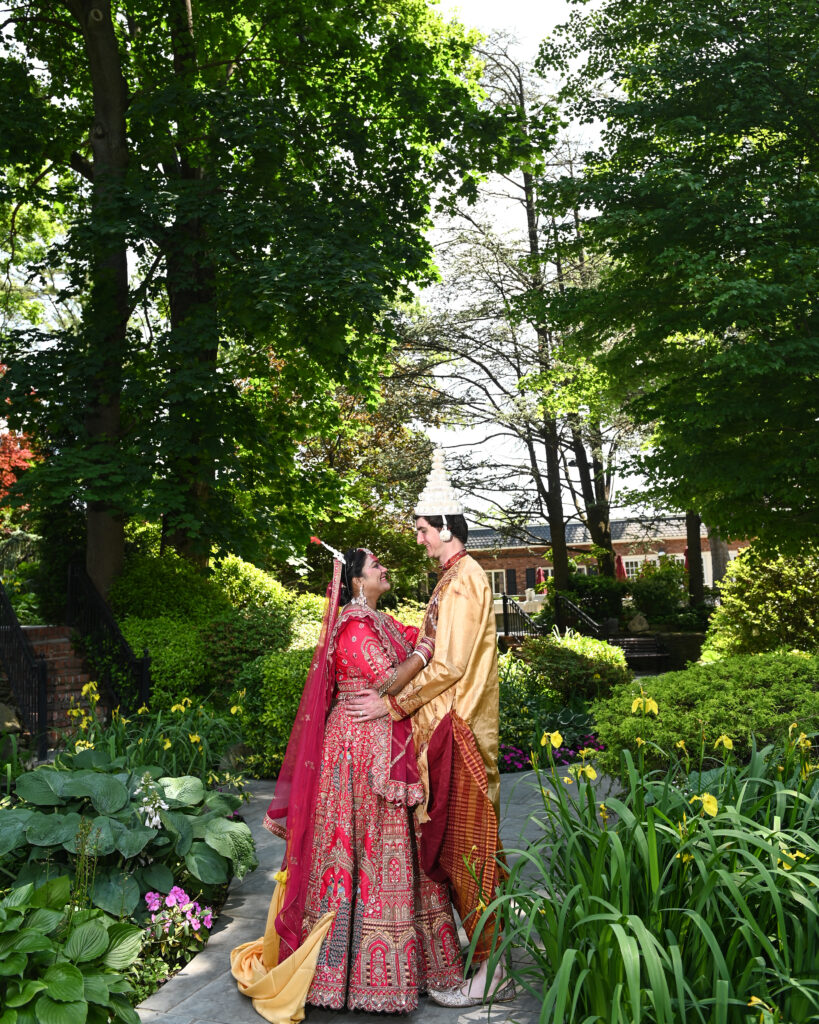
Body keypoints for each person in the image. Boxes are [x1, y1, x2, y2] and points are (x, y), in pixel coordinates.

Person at [231, 542, 463, 1021]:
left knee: (390, 851)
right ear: (357, 580)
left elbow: (421, 639)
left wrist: (436, 624)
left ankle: (408, 970)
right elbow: (388, 680)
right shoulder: (354, 628)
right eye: (376, 565)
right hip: (358, 754)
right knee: (364, 850)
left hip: (380, 744)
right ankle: (351, 975)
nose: (385, 568)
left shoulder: (380, 621)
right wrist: (424, 650)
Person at [346, 449, 512, 1008]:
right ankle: (489, 950)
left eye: (421, 530)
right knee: (459, 845)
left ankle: (494, 969)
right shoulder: (450, 578)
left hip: (458, 731)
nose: (416, 539)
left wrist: (392, 707)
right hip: (446, 728)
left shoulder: (463, 578)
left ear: (444, 528)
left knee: (469, 846)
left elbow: (451, 665)